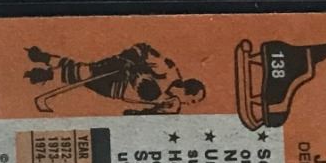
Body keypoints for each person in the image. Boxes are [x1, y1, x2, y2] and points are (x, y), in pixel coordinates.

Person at [25, 41, 206, 115]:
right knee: (85, 73)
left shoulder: (171, 104)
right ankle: (45, 72)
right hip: (119, 71)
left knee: (83, 73)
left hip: (117, 91)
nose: (190, 104)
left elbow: (149, 114)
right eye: (192, 100)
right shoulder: (168, 71)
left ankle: (45, 60)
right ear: (186, 90)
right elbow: (144, 49)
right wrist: (127, 60)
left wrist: (141, 113)